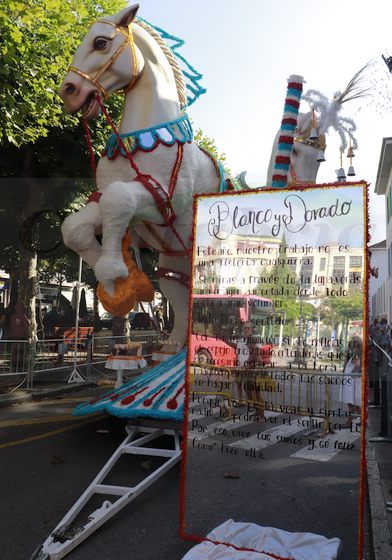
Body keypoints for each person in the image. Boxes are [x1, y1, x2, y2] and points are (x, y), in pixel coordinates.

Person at [235, 321, 266, 422]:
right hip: (250, 374)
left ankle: (262, 416)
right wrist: (246, 366)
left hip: (256, 375)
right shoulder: (252, 351)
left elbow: (260, 362)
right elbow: (248, 360)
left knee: (257, 395)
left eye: (249, 345)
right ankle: (257, 411)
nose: (248, 346)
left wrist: (251, 365)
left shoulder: (257, 350)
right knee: (248, 391)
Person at [340, 336, 362, 428]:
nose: (350, 344)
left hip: (351, 382)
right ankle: (362, 420)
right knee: (355, 402)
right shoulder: (354, 354)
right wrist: (346, 355)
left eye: (352, 342)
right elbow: (345, 366)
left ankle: (349, 421)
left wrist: (352, 374)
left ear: (356, 344)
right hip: (350, 381)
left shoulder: (356, 354)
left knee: (351, 402)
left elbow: (357, 365)